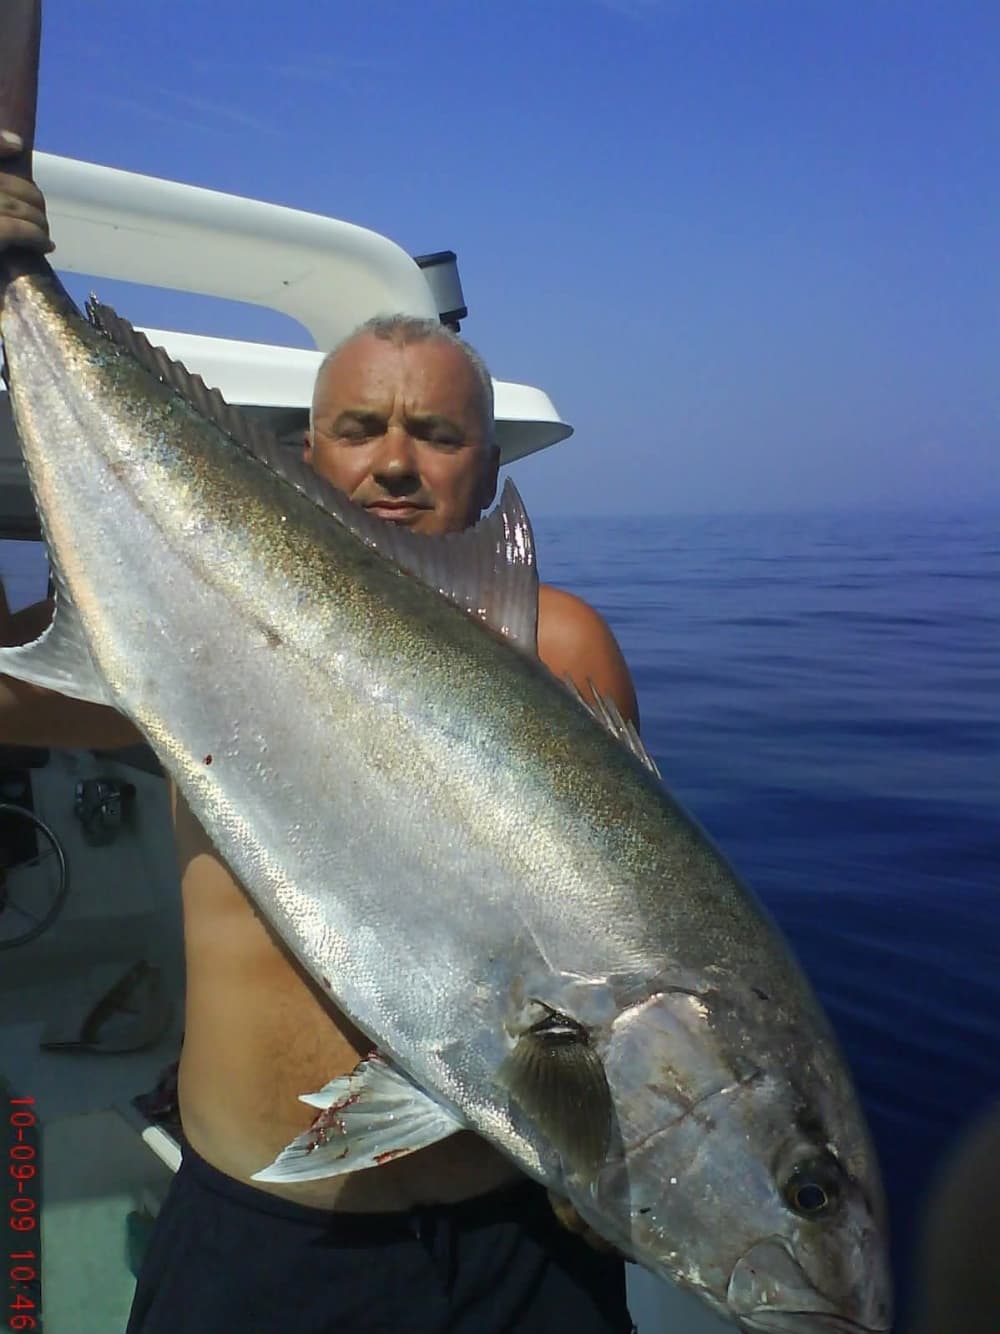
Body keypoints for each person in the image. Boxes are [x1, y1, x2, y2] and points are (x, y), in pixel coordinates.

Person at [0, 135, 638, 1334]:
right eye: (361, 428)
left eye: (439, 437)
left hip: (514, 1237)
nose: (396, 459)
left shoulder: (561, 653)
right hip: (265, 1238)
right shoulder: (189, 632)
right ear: (309, 454)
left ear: (488, 469)